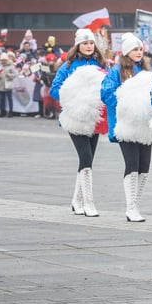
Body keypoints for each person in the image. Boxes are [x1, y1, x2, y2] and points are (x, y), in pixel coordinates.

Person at [51, 29, 108, 217]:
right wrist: (75, 100)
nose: (89, 46)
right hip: (75, 118)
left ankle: (77, 201)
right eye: (85, 43)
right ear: (77, 46)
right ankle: (89, 203)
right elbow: (55, 89)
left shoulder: (101, 64)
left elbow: (107, 88)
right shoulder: (68, 65)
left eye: (91, 43)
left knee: (88, 159)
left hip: (94, 118)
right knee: (85, 157)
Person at [101, 33, 152, 222]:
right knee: (132, 165)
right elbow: (106, 93)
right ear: (126, 52)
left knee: (144, 168)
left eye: (140, 49)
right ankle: (130, 208)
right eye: (134, 49)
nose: (138, 52)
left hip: (144, 126)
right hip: (126, 125)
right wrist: (127, 103)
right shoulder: (116, 71)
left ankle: (136, 205)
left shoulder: (145, 70)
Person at [0, 52, 16, 117]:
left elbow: (15, 74)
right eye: (2, 60)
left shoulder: (11, 65)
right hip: (1, 83)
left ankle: (11, 111)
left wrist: (10, 75)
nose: (3, 61)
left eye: (4, 60)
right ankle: (2, 111)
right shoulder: (0, 65)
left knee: (9, 98)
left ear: (7, 59)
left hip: (8, 83)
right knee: (2, 98)